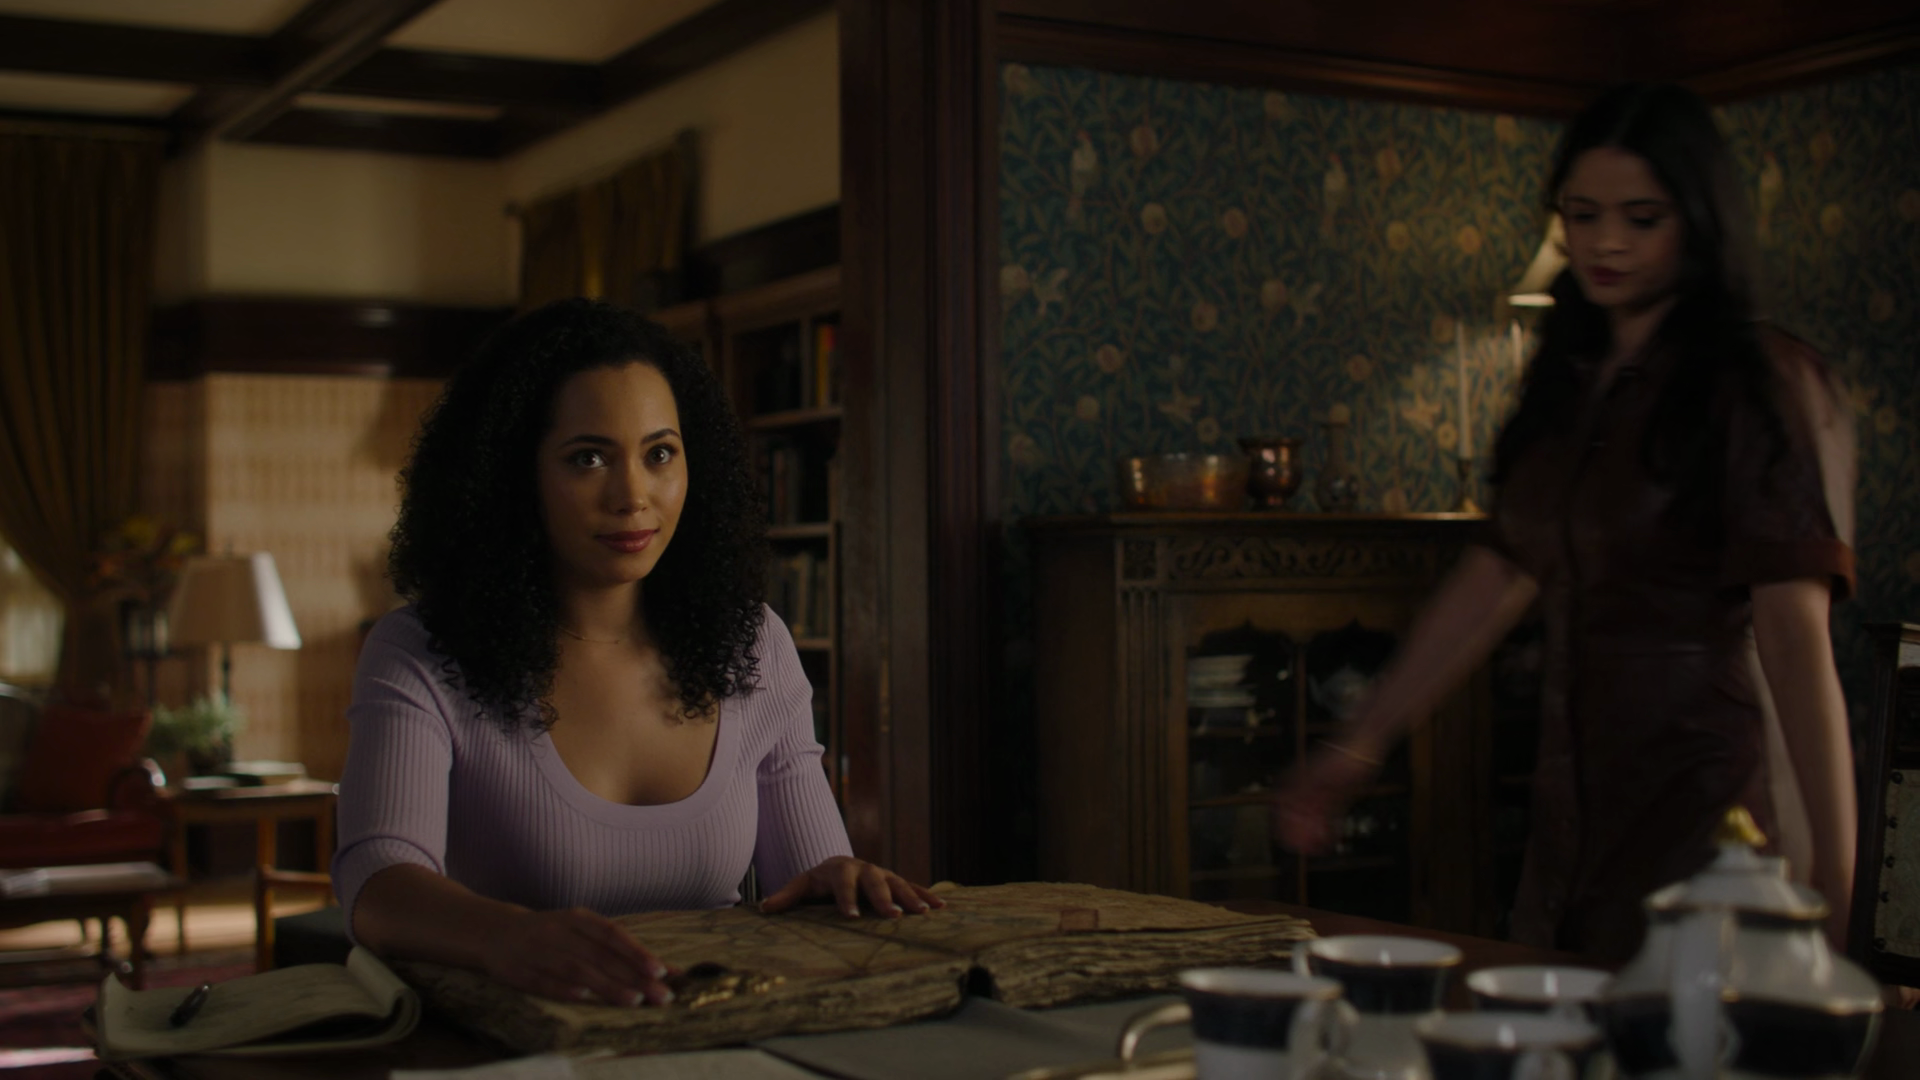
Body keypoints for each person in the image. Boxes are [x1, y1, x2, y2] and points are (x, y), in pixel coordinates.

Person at [1272, 83, 1859, 963]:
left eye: (1641, 219)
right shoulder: (1568, 382)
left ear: (1699, 221)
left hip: (1713, 802)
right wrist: (1355, 747)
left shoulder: (1754, 381)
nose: (1605, 243)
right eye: (1582, 216)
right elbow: (1494, 576)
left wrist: (1842, 888)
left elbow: (1794, 636)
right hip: (1579, 801)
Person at [334, 299, 942, 1008]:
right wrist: (507, 937)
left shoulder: (752, 645)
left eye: (659, 454)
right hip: (518, 1042)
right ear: (511, 474)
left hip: (716, 1033)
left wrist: (840, 878)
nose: (633, 496)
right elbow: (377, 880)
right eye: (588, 458)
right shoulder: (423, 652)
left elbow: (806, 880)